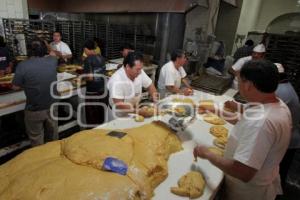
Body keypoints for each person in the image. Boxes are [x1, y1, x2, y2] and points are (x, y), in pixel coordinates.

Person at [194, 60, 292, 200]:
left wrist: (208, 154)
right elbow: (244, 118)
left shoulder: (261, 123)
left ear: (248, 85)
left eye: (239, 81)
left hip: (247, 193)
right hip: (262, 182)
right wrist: (214, 110)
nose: (238, 85)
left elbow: (243, 171)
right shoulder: (276, 105)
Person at [12, 38, 58, 147]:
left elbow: (15, 87)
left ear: (29, 50)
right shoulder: (52, 60)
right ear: (44, 50)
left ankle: (39, 160)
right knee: (53, 136)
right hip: (52, 106)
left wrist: (28, 84)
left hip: (34, 109)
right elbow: (53, 52)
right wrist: (47, 44)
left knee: (36, 138)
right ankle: (54, 157)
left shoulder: (23, 65)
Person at [107, 51, 157, 119]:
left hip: (134, 111)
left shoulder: (139, 72)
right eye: (137, 69)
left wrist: (156, 102)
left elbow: (150, 86)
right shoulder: (116, 80)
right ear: (127, 66)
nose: (140, 72)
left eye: (141, 69)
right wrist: (139, 111)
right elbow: (119, 105)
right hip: (118, 115)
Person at [274, 63, 300, 194]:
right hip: (287, 136)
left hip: (288, 140)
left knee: (278, 173)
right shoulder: (284, 86)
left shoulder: (281, 91)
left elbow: (265, 112)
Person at [83, 39, 107, 126]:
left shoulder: (88, 60)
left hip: (92, 92)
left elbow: (89, 78)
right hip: (102, 90)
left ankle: (92, 134)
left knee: (92, 117)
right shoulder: (101, 57)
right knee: (101, 115)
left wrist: (82, 77)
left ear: (86, 49)